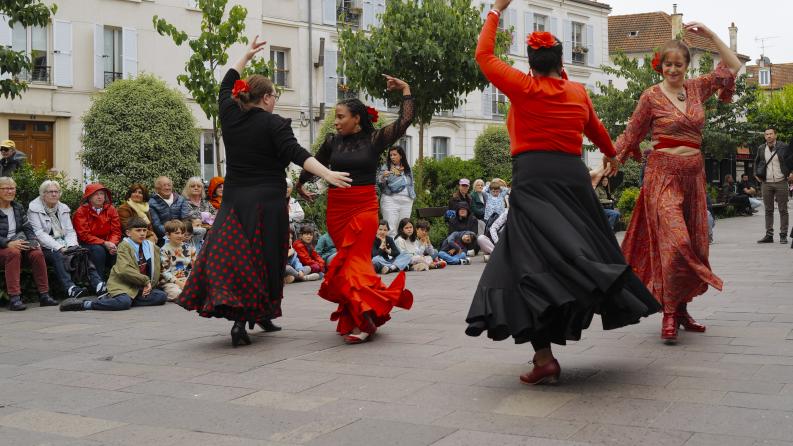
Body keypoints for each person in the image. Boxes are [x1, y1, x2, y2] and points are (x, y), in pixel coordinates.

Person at [466, 0, 659, 386]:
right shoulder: (577, 93)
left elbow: (483, 54)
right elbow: (599, 134)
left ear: (531, 62)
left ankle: (543, 357)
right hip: (571, 179)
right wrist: (612, 155)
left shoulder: (523, 87)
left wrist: (495, 9)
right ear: (560, 60)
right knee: (577, 250)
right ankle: (569, 316)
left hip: (534, 179)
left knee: (524, 263)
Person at [176, 36, 351, 346]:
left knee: (239, 257)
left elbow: (224, 84)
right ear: (267, 97)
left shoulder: (229, 117)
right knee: (266, 258)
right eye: (275, 94)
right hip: (268, 201)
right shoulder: (274, 125)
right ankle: (247, 319)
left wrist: (245, 55)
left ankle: (259, 315)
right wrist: (328, 174)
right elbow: (298, 154)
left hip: (234, 200)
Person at [615, 21, 741, 343]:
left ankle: (681, 309)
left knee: (696, 244)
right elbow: (631, 135)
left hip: (693, 175)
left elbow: (734, 66)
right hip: (662, 175)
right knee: (676, 240)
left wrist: (712, 36)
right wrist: (607, 163)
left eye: (679, 64)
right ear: (661, 66)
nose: (673, 69)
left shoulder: (697, 88)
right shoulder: (650, 96)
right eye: (668, 64)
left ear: (687, 66)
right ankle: (668, 312)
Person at [297, 72, 414, 345]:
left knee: (357, 261)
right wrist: (301, 185)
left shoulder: (375, 140)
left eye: (341, 117)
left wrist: (406, 89)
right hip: (337, 209)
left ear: (357, 118)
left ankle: (364, 321)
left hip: (363, 207)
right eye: (336, 117)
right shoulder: (331, 141)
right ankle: (364, 313)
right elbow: (316, 163)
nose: (336, 122)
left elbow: (405, 120)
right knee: (347, 264)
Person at [60, 217, 167, 311]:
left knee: (161, 296)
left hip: (139, 286)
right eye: (138, 230)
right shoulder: (124, 246)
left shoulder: (151, 247)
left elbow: (155, 269)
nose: (142, 233)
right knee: (124, 303)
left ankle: (121, 301)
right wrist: (146, 281)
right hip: (123, 285)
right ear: (128, 233)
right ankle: (87, 304)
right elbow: (124, 270)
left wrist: (148, 285)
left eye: (144, 230)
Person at [28, 180, 106, 299]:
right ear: (43, 194)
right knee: (58, 255)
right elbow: (39, 234)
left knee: (81, 252)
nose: (54, 194)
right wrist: (59, 247)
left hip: (64, 243)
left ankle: (97, 284)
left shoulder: (63, 208)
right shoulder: (34, 209)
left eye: (57, 191)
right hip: (45, 246)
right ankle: (70, 288)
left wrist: (71, 246)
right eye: (50, 192)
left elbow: (69, 231)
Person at [0, 176, 55, 310]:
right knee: (13, 253)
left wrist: (34, 241)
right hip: (5, 248)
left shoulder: (17, 207)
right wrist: (7, 243)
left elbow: (27, 228)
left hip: (19, 244)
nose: (10, 191)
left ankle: (44, 295)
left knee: (37, 253)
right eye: (6, 188)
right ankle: (14, 298)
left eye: (12, 188)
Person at [72, 183, 122, 280]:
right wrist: (104, 243)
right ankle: (99, 283)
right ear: (89, 197)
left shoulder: (111, 209)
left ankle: (118, 282)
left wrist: (112, 244)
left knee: (120, 249)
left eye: (102, 194)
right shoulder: (81, 211)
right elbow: (84, 235)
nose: (99, 197)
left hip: (108, 242)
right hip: (88, 243)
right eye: (96, 194)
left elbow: (116, 231)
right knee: (98, 250)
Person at [755, 128, 791, 243]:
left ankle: (783, 235)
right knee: (768, 210)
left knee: (783, 209)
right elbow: (756, 162)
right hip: (766, 183)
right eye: (766, 134)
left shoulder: (783, 147)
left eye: (771, 134)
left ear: (775, 135)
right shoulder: (761, 148)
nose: (769, 136)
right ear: (765, 136)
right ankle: (769, 235)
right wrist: (755, 174)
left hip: (781, 181)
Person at [150, 176, 204, 244]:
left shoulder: (180, 199)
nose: (167, 187)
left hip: (181, 236)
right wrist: (172, 234)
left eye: (169, 185)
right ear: (157, 188)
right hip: (163, 238)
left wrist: (180, 233)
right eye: (164, 185)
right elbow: (157, 225)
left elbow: (185, 219)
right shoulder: (152, 202)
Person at [378, 146, 415, 237]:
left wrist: (412, 196)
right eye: (390, 155)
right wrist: (383, 176)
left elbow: (410, 184)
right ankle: (391, 250)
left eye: (395, 154)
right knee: (391, 228)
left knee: (403, 228)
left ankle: (401, 250)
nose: (392, 157)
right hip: (391, 199)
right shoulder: (386, 167)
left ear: (401, 155)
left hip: (406, 201)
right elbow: (379, 182)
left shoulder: (407, 167)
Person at [159, 219, 197, 302]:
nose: (180, 236)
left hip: (187, 278)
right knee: (177, 293)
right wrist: (178, 282)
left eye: (182, 233)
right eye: (177, 233)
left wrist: (190, 280)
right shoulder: (164, 250)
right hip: (171, 281)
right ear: (168, 235)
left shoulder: (190, 248)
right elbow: (164, 271)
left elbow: (195, 267)